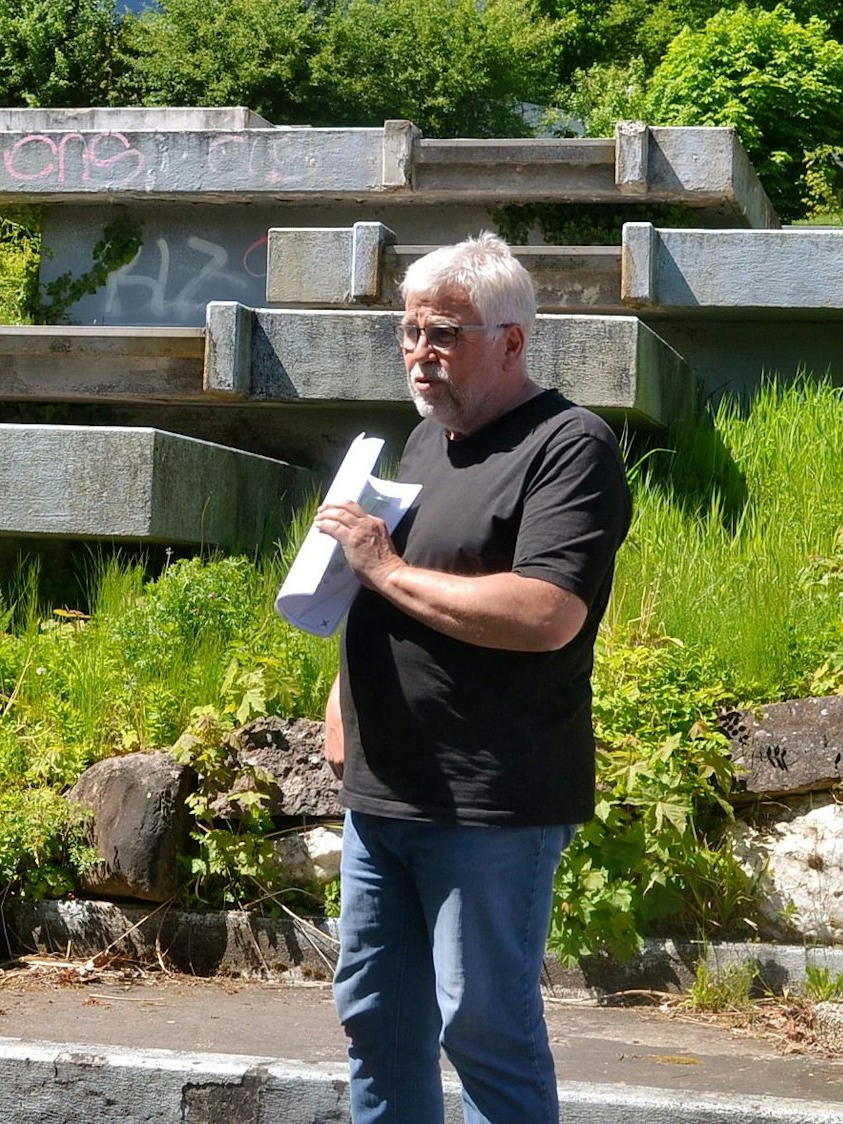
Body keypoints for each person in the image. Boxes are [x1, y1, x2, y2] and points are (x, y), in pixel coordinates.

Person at [313, 232, 632, 1123]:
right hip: (385, 795)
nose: (420, 352)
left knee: (484, 1031)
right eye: (410, 331)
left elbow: (544, 612)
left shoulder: (569, 445)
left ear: (511, 340)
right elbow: (376, 599)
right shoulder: (423, 444)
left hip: (489, 803)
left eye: (443, 333)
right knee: (375, 1020)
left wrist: (381, 567)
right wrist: (341, 702)